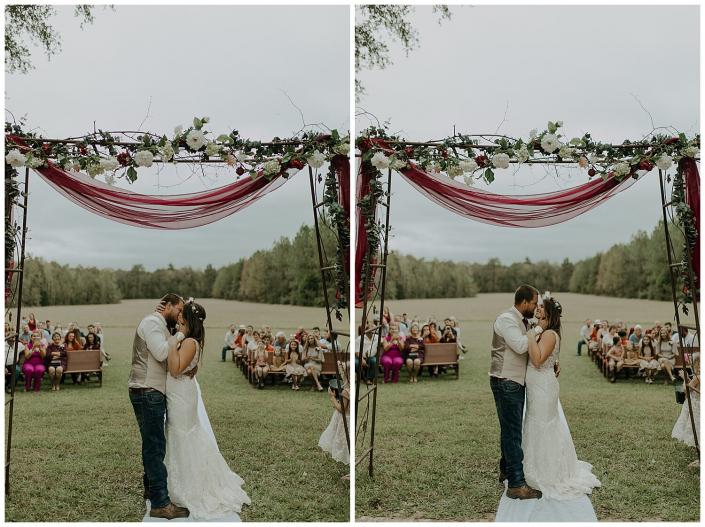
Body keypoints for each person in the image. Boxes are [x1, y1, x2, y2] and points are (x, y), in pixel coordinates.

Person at [163, 299, 250, 520]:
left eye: (181, 312)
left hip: (181, 394)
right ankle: (178, 478)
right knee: (178, 433)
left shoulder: (190, 342)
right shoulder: (189, 339)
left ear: (187, 319)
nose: (178, 314)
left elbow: (174, 369)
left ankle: (189, 484)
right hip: (179, 392)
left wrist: (174, 342)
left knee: (182, 434)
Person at [522, 293, 601, 503]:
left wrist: (530, 336)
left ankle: (548, 473)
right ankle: (537, 466)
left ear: (548, 313)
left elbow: (538, 360)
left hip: (542, 386)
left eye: (540, 307)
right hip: (538, 385)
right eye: (537, 306)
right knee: (537, 424)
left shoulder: (549, 335)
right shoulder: (545, 331)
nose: (537, 309)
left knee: (543, 425)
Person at [128, 293, 190, 519]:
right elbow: (162, 352)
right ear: (169, 306)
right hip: (147, 390)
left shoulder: (161, 324)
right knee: (155, 446)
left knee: (152, 443)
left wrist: (175, 330)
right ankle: (161, 502)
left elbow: (166, 343)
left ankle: (151, 490)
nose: (180, 314)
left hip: (150, 390)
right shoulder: (152, 322)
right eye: (179, 309)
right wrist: (181, 333)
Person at [489, 285, 543, 500]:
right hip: (505, 381)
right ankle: (516, 484)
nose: (535, 307)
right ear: (524, 302)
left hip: (515, 382)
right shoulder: (506, 320)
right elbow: (521, 346)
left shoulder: (523, 321)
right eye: (533, 303)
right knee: (513, 433)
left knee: (509, 429)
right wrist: (538, 328)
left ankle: (506, 470)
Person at [319, 361, 350, 467]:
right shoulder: (352, 386)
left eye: (343, 373)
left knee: (342, 439)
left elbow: (342, 409)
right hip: (347, 417)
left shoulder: (346, 390)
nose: (341, 374)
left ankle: (343, 457)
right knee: (342, 438)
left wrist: (332, 398)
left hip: (344, 418)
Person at [672, 356, 700, 468]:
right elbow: (694, 387)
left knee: (696, 430)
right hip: (697, 404)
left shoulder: (698, 377)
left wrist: (684, 378)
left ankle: (700, 459)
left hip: (696, 406)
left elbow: (686, 389)